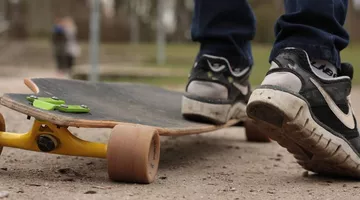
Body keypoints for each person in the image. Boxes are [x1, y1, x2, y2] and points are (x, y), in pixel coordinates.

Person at [181, 0, 360, 178]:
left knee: (220, 51)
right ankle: (314, 60)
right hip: (309, 68)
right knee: (310, 43)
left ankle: (218, 64)